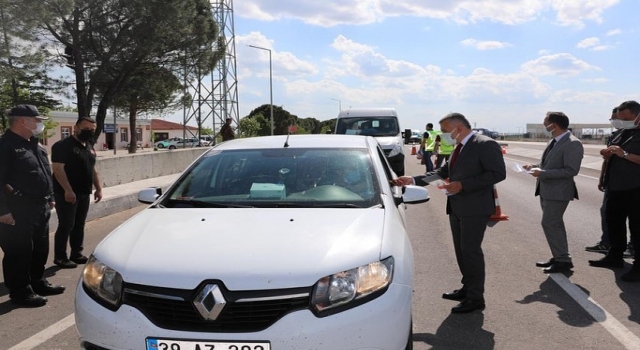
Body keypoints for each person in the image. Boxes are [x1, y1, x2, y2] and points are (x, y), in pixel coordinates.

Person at [394, 112, 506, 313]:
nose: (443, 135)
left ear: (459, 128)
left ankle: (476, 298)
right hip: (457, 207)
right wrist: (412, 180)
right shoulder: (459, 146)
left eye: (445, 131)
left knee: (471, 252)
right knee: (461, 251)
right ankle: (467, 287)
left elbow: (498, 173)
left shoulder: (485, 144)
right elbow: (443, 172)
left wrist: (463, 185)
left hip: (474, 207)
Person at [0, 104, 65, 307]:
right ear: (22, 121)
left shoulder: (35, 145)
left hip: (40, 206)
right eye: (36, 120)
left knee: (40, 248)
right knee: (19, 252)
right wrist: (2, 211)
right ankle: (20, 292)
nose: (40, 124)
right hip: (17, 209)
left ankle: (37, 282)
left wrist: (51, 196)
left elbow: (45, 173)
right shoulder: (5, 146)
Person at [523, 112, 584, 274]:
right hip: (547, 190)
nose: (544, 126)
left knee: (549, 223)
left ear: (554, 125)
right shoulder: (555, 141)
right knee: (555, 224)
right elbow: (548, 164)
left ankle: (562, 260)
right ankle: (560, 256)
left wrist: (542, 173)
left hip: (558, 192)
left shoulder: (572, 143)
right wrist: (533, 166)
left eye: (545, 123)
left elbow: (571, 170)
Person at [589, 100, 640, 282]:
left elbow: (628, 156)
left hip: (635, 188)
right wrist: (606, 154)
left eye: (626, 118)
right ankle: (615, 256)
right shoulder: (620, 134)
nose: (622, 121)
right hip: (615, 186)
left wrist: (624, 154)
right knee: (614, 223)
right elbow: (608, 156)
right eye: (620, 118)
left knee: (636, 228)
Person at [51, 117, 103, 268]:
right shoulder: (62, 146)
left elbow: (92, 169)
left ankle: (76, 253)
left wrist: (98, 188)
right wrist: (68, 190)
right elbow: (57, 169)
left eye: (92, 130)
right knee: (66, 225)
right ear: (76, 127)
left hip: (84, 193)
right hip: (66, 194)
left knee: (79, 224)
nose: (89, 132)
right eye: (86, 129)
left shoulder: (89, 146)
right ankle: (60, 257)